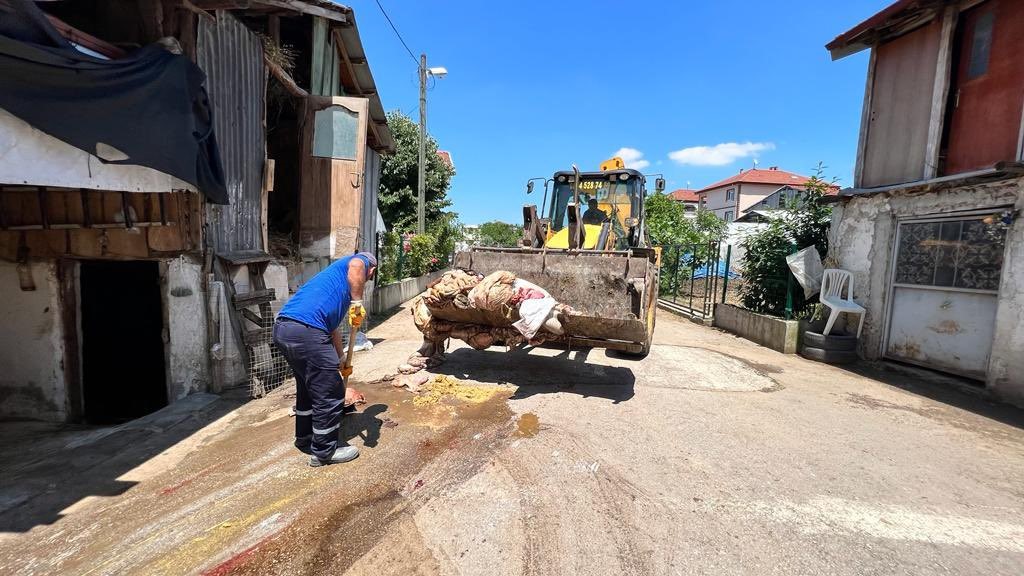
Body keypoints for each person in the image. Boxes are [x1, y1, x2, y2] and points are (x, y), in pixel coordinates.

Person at [272, 252, 376, 467]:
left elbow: (332, 330)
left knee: (308, 388)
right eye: (369, 277)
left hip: (285, 329)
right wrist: (358, 302)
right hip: (307, 330)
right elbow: (358, 264)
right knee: (329, 391)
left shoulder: (332, 287)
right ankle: (324, 452)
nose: (365, 279)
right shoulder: (359, 263)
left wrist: (340, 359)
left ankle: (305, 437)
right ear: (371, 271)